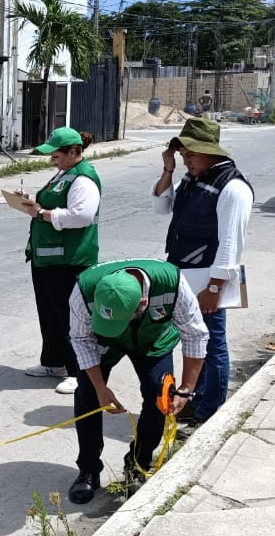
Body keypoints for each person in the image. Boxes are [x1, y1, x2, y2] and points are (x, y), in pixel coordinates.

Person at [66, 258, 208, 505]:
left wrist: (186, 389)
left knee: (159, 395)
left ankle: (137, 464)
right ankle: (88, 469)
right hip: (103, 341)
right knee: (87, 395)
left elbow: (195, 334)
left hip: (153, 338)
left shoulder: (173, 284)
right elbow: (80, 339)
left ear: (142, 303)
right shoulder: (83, 290)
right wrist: (101, 388)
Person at [152, 117, 253, 425]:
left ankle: (211, 412)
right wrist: (168, 170)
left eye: (191, 154)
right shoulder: (194, 178)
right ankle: (199, 402)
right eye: (183, 154)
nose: (186, 159)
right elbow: (160, 206)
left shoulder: (232, 187)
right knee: (197, 340)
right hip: (185, 273)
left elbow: (230, 244)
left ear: (213, 152)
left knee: (213, 343)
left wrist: (214, 288)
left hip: (207, 279)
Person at [19, 127, 101, 396]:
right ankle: (54, 362)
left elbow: (82, 215)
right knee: (49, 313)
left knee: (71, 318)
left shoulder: (84, 178)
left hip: (69, 260)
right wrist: (31, 202)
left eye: (56, 156)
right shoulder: (63, 174)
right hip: (46, 258)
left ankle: (79, 371)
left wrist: (42, 212)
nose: (52, 160)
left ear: (74, 152)